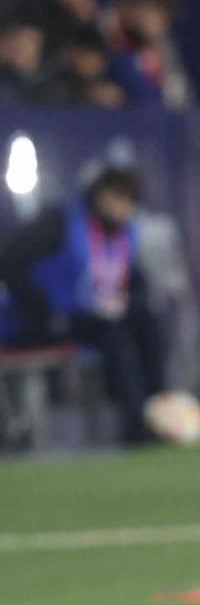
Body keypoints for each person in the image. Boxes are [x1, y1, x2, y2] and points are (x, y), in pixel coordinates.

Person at [0, 166, 164, 445]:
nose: (123, 208)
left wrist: (131, 303)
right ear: (101, 195)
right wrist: (44, 311)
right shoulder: (61, 221)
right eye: (118, 198)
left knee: (148, 323)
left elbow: (135, 281)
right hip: (41, 320)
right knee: (114, 336)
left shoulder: (125, 234)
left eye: (129, 202)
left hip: (94, 319)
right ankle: (137, 427)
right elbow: (10, 261)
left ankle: (160, 410)